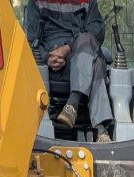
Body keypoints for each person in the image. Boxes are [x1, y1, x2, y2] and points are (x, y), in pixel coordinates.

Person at [25, 0, 112, 142]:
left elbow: (96, 32)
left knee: (87, 42)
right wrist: (48, 58)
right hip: (53, 66)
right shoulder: (36, 3)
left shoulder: (88, 2)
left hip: (81, 54)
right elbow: (32, 41)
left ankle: (72, 104)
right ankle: (100, 128)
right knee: (97, 63)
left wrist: (68, 48)